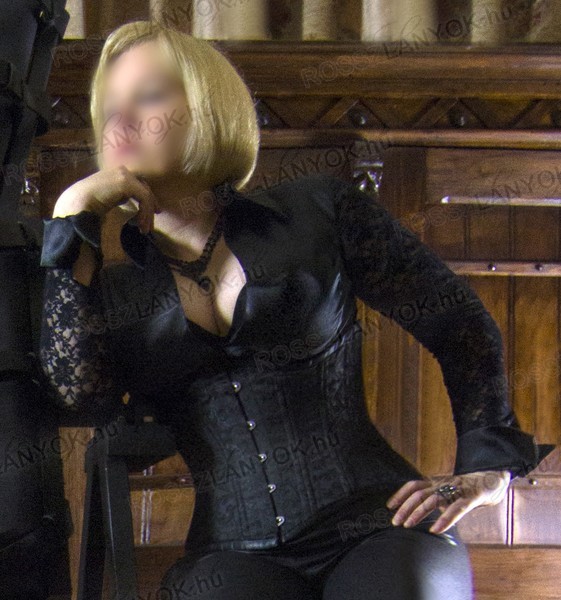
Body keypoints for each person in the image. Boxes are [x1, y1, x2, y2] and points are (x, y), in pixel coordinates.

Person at [38, 21, 555, 600]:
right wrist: (72, 217)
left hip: (376, 525)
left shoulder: (317, 212)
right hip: (230, 557)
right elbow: (81, 400)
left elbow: (458, 321)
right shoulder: (112, 286)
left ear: (208, 109)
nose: (121, 120)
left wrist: (487, 464)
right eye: (109, 108)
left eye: (149, 96)